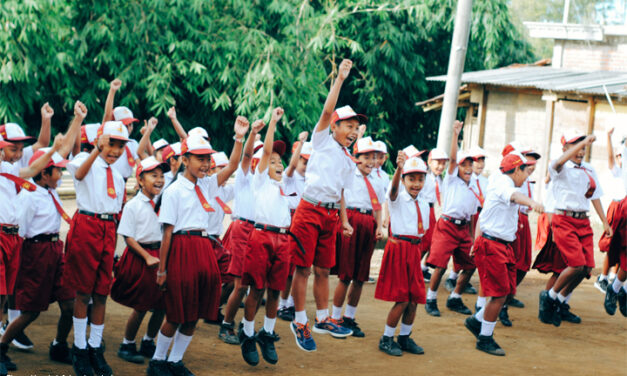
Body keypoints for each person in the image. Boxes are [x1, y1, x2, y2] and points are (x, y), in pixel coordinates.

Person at [146, 119, 248, 376]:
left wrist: (239, 137)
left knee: (197, 312)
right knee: (177, 312)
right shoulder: (174, 191)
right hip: (182, 248)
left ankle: (175, 361)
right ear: (185, 159)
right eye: (199, 159)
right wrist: (162, 270)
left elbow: (234, 165)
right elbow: (167, 232)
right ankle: (157, 361)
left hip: (205, 248)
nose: (205, 164)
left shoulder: (208, 184)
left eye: (207, 159)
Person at [288, 59, 359, 352]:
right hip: (309, 209)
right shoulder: (322, 141)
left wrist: (343, 220)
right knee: (302, 269)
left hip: (330, 215)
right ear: (335, 126)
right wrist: (340, 80)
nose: (354, 131)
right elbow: (327, 111)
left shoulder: (346, 157)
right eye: (349, 126)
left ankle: (323, 318)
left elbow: (341, 191)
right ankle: (300, 320)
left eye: (357, 127)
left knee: (323, 270)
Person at [63, 120, 130, 376]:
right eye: (111, 144)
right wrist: (96, 150)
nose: (114, 150)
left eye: (120, 146)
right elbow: (79, 174)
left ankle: (94, 348)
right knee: (83, 292)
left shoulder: (119, 174)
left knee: (101, 292)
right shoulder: (85, 159)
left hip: (107, 228)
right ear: (100, 141)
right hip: (87, 225)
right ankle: (79, 349)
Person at [464, 152, 543, 356]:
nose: (527, 176)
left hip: (501, 244)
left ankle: (477, 320)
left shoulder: (502, 184)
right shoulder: (504, 185)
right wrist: (532, 203)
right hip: (493, 245)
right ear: (517, 169)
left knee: (506, 291)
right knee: (499, 295)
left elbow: (484, 215)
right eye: (525, 170)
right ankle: (485, 338)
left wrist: (476, 239)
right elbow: (515, 197)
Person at [239, 108, 294, 366]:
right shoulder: (258, 180)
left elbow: (292, 165)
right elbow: (266, 150)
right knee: (256, 289)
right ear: (261, 165)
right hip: (261, 237)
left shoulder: (283, 186)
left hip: (283, 240)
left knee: (275, 290)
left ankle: (267, 332)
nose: (278, 164)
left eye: (279, 161)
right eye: (271, 161)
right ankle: (248, 333)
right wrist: (272, 123)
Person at [539, 131, 611, 327]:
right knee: (575, 264)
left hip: (583, 221)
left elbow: (594, 195)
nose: (580, 151)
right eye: (575, 147)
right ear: (565, 149)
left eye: (583, 147)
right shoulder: (559, 167)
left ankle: (560, 302)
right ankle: (550, 297)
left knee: (586, 268)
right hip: (564, 219)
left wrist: (604, 221)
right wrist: (583, 143)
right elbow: (557, 163)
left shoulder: (589, 169)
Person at [112, 157, 169, 364]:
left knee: (162, 304)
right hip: (142, 257)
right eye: (153, 175)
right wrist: (147, 257)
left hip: (159, 256)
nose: (159, 180)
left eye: (162, 176)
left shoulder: (164, 203)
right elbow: (127, 237)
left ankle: (148, 341)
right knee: (142, 305)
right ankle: (127, 344)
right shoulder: (133, 205)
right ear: (140, 180)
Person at [375, 153, 429, 356]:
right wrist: (398, 169)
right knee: (402, 298)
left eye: (420, 179)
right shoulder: (397, 198)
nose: (416, 184)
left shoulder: (423, 202)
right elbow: (394, 190)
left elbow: (421, 230)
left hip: (414, 250)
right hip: (399, 248)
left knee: (414, 298)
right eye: (411, 178)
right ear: (404, 179)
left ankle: (404, 337)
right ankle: (386, 338)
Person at [425, 121, 480, 317]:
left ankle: (455, 297)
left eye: (470, 164)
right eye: (463, 164)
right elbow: (454, 159)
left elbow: (473, 215)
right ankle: (430, 298)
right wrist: (456, 134)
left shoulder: (474, 185)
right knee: (440, 265)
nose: (467, 168)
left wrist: (474, 238)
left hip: (463, 229)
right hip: (447, 226)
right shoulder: (451, 179)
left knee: (471, 265)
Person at [331, 137, 384, 338]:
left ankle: (349, 318)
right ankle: (335, 318)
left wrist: (379, 226)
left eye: (374, 157)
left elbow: (378, 207)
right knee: (346, 274)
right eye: (367, 157)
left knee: (360, 275)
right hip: (351, 220)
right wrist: (344, 221)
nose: (371, 162)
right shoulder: (348, 175)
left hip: (367, 223)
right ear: (356, 158)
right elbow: (340, 198)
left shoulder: (377, 181)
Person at [277, 133, 311, 322]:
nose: (306, 166)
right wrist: (302, 143)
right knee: (289, 266)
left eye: (310, 162)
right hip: (291, 220)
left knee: (301, 265)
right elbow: (290, 166)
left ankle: (291, 302)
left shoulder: (311, 179)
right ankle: (283, 304)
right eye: (304, 161)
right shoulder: (290, 177)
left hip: (305, 220)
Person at [596, 128, 625, 293]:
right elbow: (609, 158)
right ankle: (603, 278)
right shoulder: (617, 171)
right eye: (620, 156)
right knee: (612, 244)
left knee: (623, 246)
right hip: (617, 209)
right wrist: (608, 136)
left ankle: (615, 277)